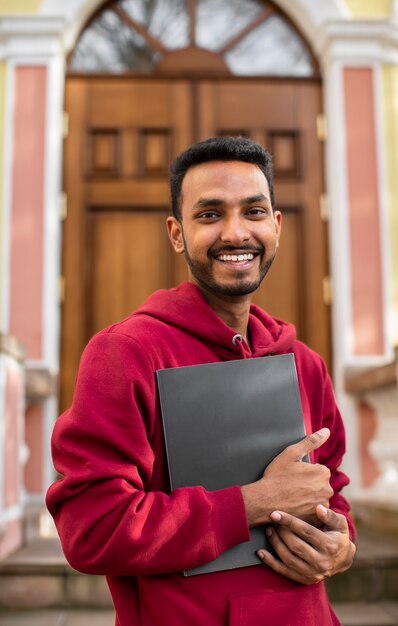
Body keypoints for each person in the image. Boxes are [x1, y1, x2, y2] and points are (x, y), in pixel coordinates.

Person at [46, 136, 356, 626]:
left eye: (253, 211)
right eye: (210, 214)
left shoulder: (304, 363)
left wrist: (341, 546)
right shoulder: (125, 353)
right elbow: (93, 528)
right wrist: (253, 503)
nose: (236, 233)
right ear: (176, 232)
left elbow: (330, 488)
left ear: (276, 226)